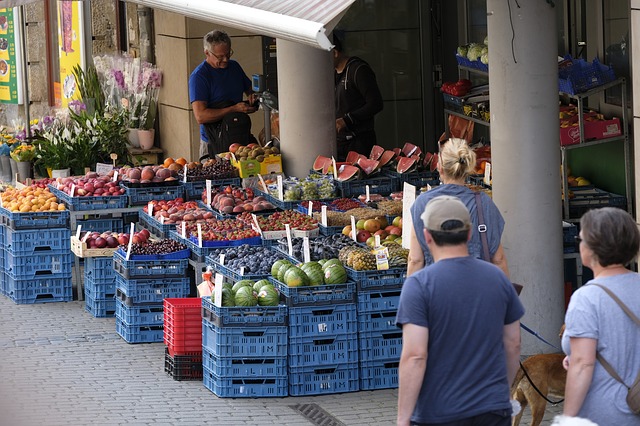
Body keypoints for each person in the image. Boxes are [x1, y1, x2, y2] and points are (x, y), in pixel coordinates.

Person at [396, 195, 524, 426]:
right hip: (492, 409)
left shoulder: (418, 286)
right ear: (469, 233)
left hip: (439, 411)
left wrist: (403, 417)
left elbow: (415, 356)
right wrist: (500, 392)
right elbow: (513, 343)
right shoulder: (498, 279)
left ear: (426, 237)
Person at [561, 207, 640, 425]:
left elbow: (582, 364)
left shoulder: (587, 297)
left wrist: (567, 419)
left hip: (606, 412)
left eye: (581, 238)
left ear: (593, 247)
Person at [407, 138, 509, 277]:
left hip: (437, 291)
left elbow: (415, 260)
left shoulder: (422, 203)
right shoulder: (483, 203)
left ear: (440, 167)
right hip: (478, 292)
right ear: (468, 168)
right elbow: (498, 259)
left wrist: (412, 294)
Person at [189, 29, 258, 159]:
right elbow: (201, 116)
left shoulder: (234, 67)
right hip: (213, 140)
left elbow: (250, 90)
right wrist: (234, 109)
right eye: (220, 57)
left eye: (228, 54)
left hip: (238, 136)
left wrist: (252, 99)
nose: (226, 59)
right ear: (207, 53)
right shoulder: (199, 77)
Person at [333, 32, 383, 161]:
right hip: (340, 142)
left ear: (335, 53)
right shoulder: (331, 74)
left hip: (360, 142)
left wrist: (346, 120)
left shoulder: (359, 70)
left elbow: (376, 104)